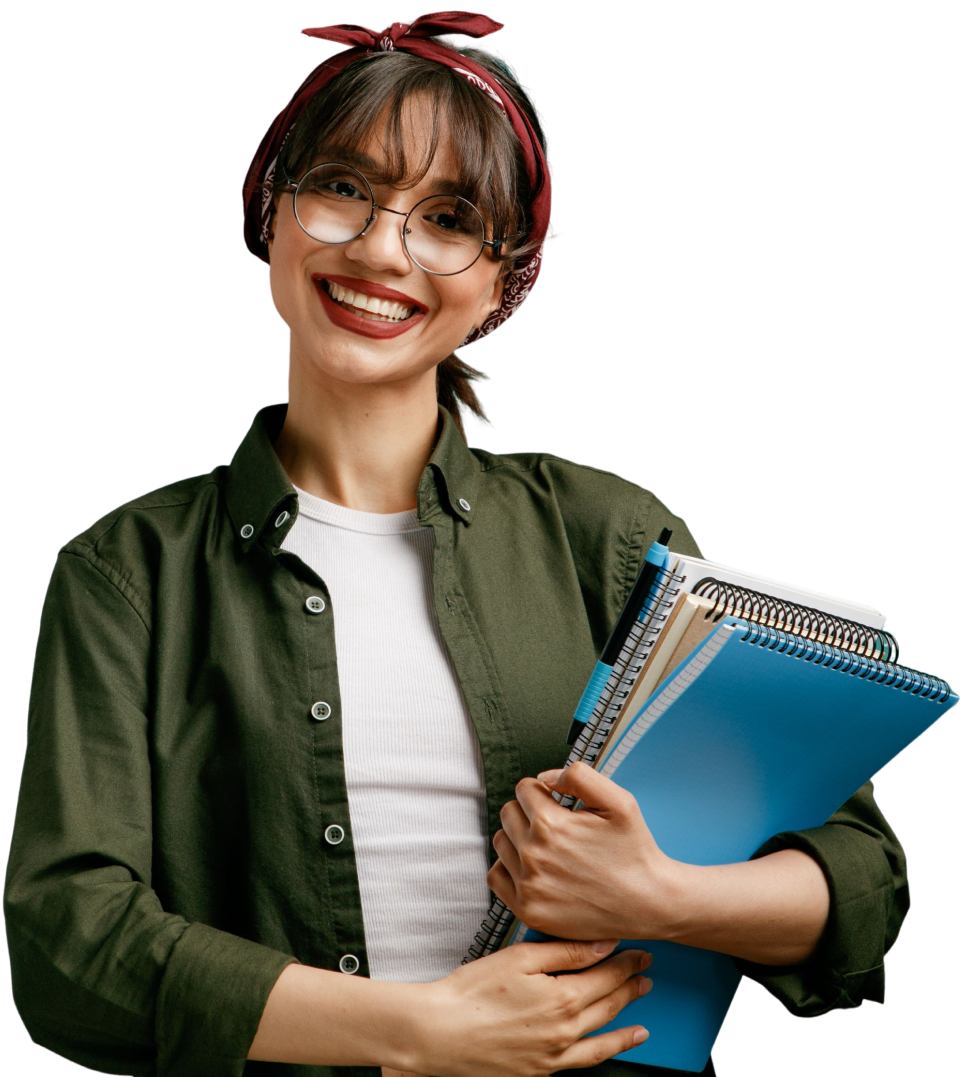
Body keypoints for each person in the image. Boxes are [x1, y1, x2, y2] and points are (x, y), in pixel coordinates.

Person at [6, 13, 908, 1077]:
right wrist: (419, 1029)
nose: (380, 249)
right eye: (342, 187)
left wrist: (656, 896)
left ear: (500, 283)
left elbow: (860, 881)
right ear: (272, 212)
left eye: (446, 217)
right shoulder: (127, 572)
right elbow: (68, 941)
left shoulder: (613, 537)